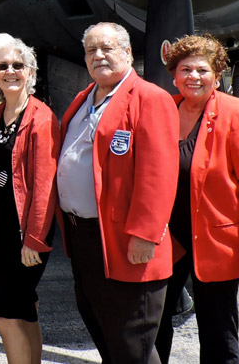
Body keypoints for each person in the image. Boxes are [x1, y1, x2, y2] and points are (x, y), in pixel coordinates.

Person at [56, 22, 178, 364]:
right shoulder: (84, 98)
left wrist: (145, 235)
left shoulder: (150, 98)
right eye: (91, 50)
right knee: (104, 332)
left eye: (107, 48)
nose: (98, 56)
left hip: (126, 241)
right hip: (84, 238)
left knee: (132, 342)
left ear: (127, 52)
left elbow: (159, 175)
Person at [155, 35, 239, 364]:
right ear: (173, 75)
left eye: (202, 70)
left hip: (216, 242)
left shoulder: (237, 113)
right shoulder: (165, 109)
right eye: (185, 69)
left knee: (218, 333)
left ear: (217, 76)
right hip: (166, 241)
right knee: (153, 325)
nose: (193, 76)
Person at [0, 33, 61, 364]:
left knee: (5, 315)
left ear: (30, 72)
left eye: (18, 65)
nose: (10, 71)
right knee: (25, 309)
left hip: (24, 234)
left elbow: (45, 186)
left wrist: (34, 239)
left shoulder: (41, 117)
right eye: (3, 66)